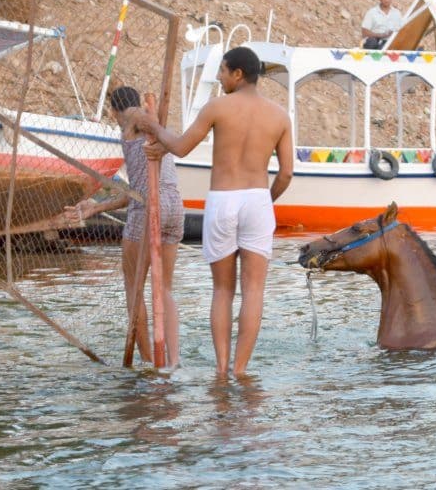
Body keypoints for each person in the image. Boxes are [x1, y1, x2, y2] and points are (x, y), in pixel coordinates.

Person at [135, 46, 294, 378]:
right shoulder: (280, 115)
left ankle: (221, 370)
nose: (220, 77)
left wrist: (154, 127)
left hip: (223, 199)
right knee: (254, 291)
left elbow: (179, 146)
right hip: (257, 200)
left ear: (238, 74)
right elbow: (286, 174)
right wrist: (265, 201)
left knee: (223, 290)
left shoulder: (218, 107)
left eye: (222, 71)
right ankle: (240, 370)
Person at [64, 86, 184, 368]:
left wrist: (154, 121)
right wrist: (95, 207)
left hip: (149, 208)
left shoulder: (132, 119)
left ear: (112, 110)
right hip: (174, 205)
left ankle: (146, 361)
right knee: (165, 288)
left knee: (134, 287)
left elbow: (144, 122)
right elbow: (136, 189)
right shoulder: (144, 124)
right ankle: (174, 362)